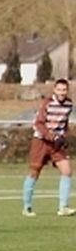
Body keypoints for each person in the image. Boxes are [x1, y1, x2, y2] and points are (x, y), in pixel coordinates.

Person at [22, 77, 74, 217]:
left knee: (67, 170)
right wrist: (52, 136)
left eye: (64, 90)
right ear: (54, 90)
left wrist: (64, 136)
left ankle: (63, 207)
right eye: (59, 90)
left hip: (56, 144)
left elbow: (64, 123)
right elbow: (38, 123)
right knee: (34, 172)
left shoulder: (69, 104)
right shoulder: (47, 103)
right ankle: (27, 207)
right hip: (41, 141)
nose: (62, 92)